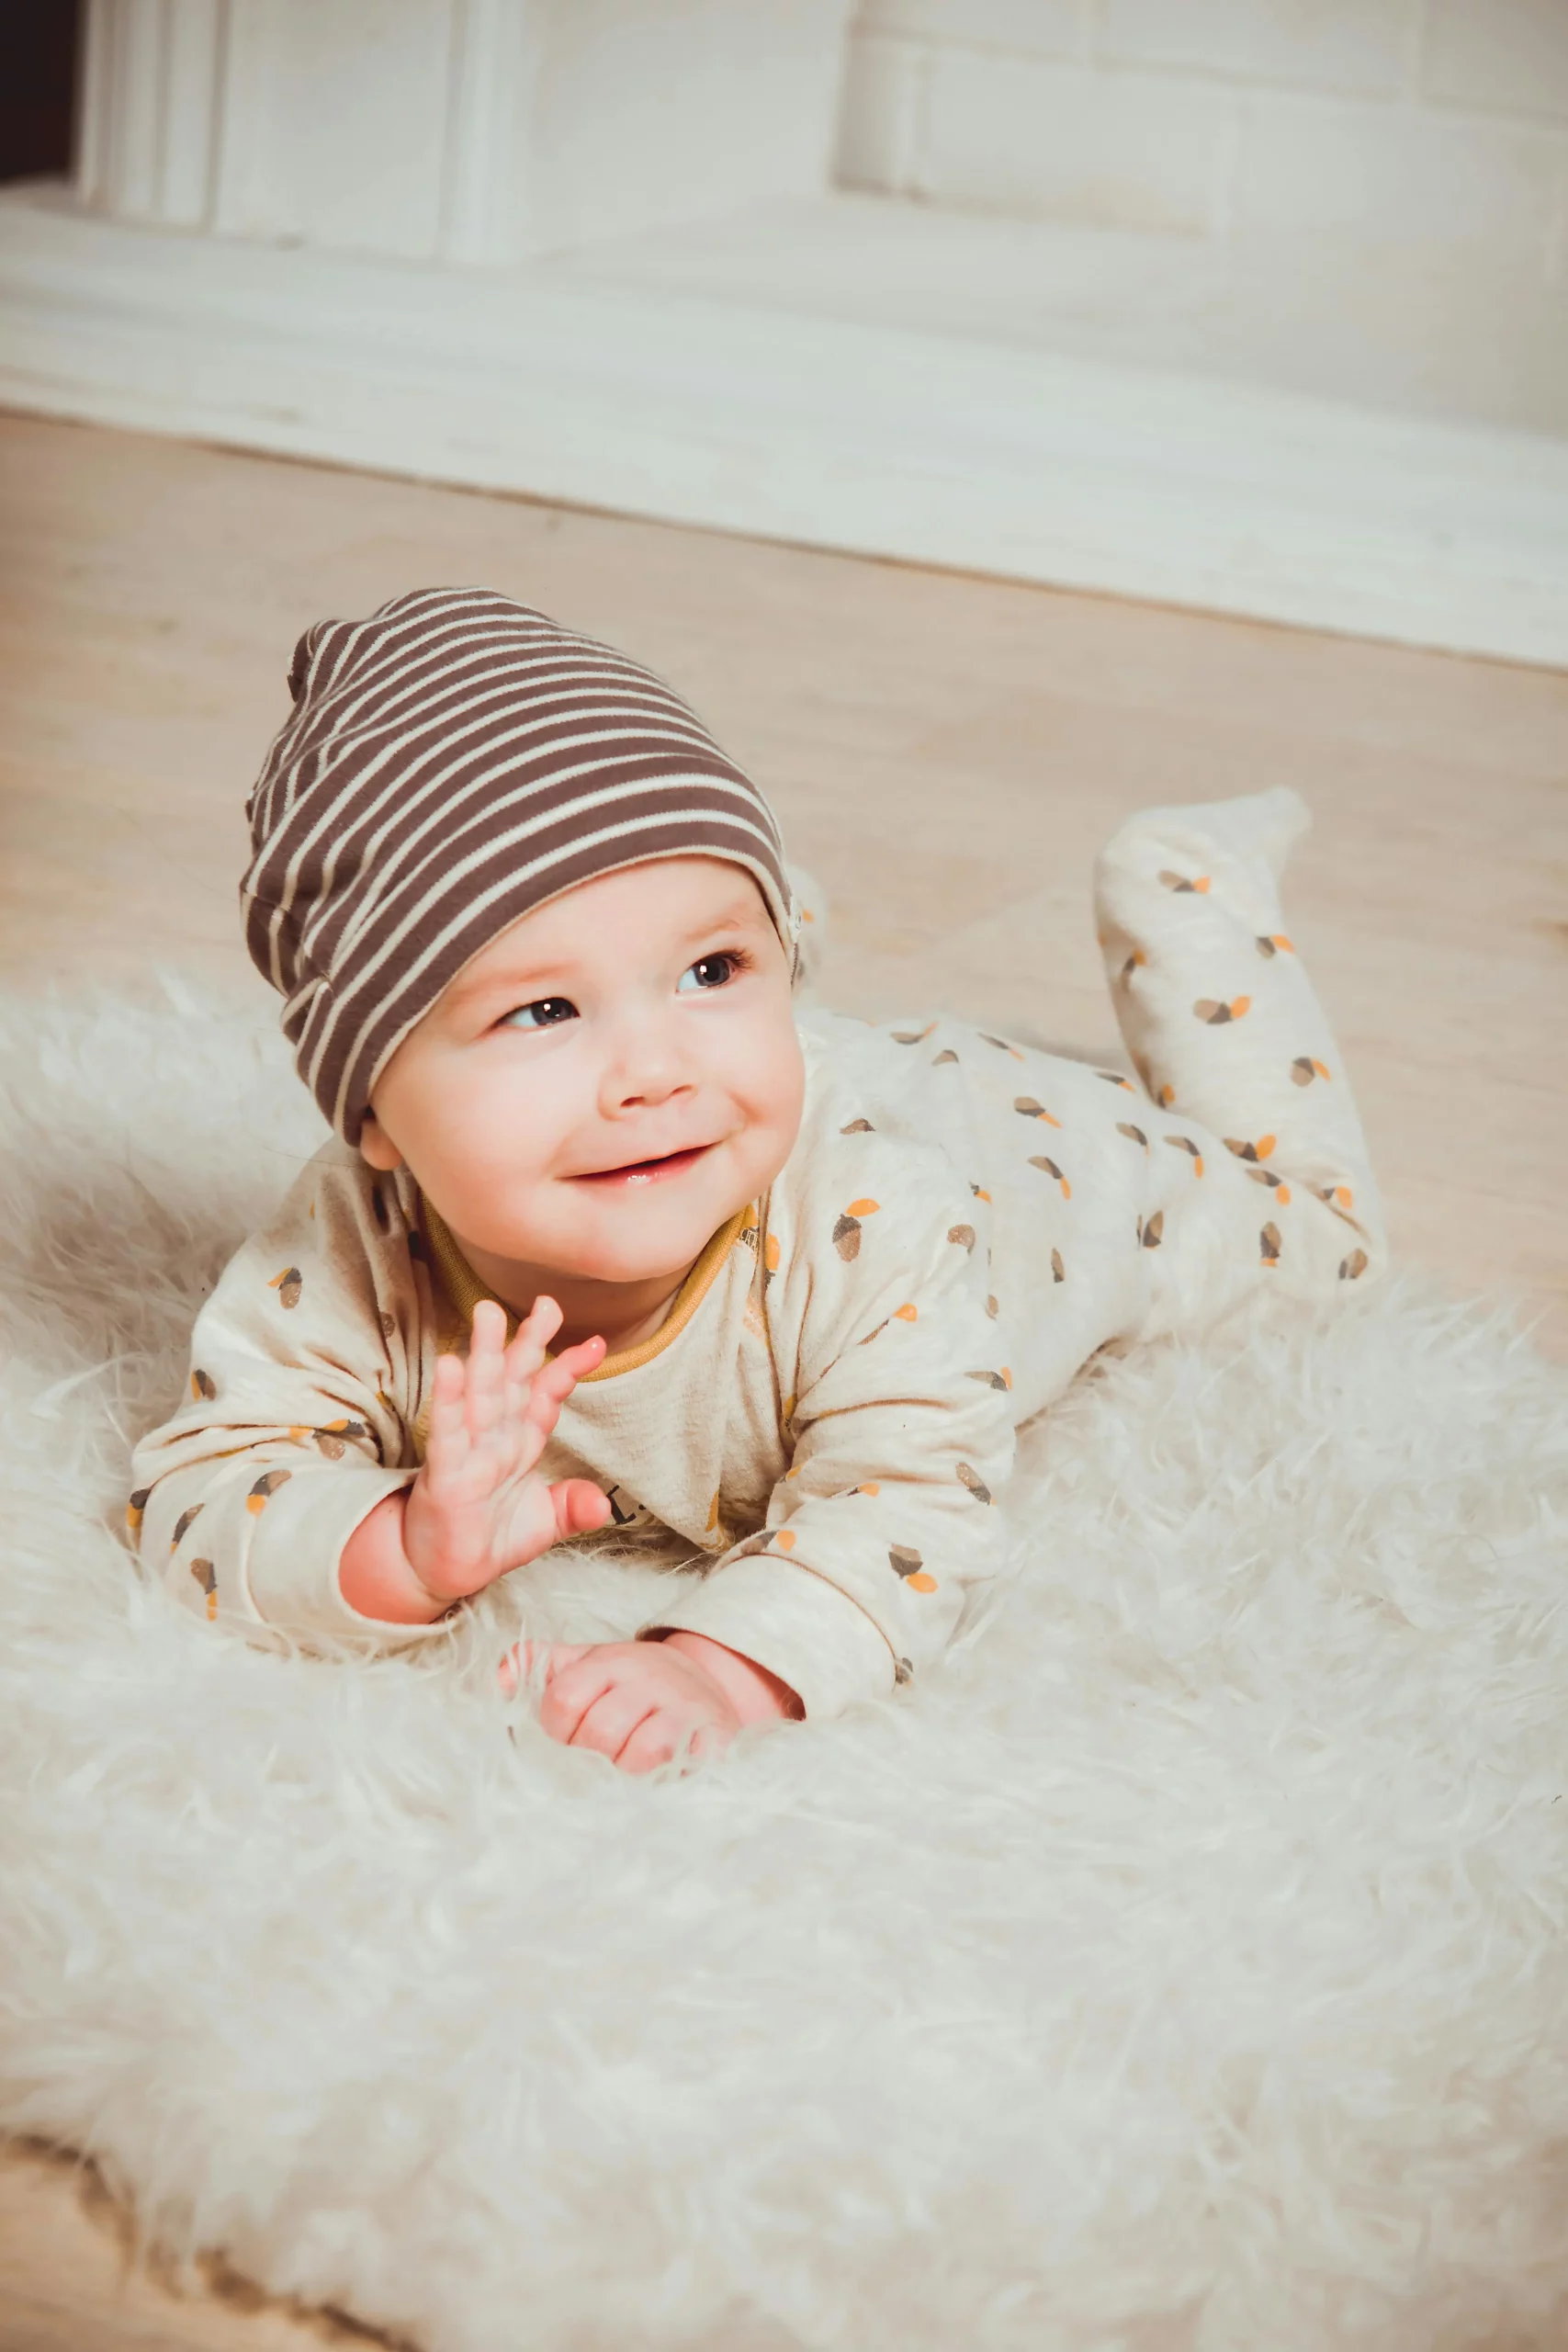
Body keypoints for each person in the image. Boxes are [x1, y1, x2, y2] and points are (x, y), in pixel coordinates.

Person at [129, 587, 1384, 1773]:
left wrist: (721, 1670)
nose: (653, 1074)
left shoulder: (878, 1219)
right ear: (372, 1112)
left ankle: (1183, 893)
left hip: (1021, 1153)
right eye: (545, 1009)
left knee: (1317, 1230)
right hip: (809, 1085)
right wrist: (395, 1545)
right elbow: (200, 1492)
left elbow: (906, 1503)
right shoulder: (351, 1246)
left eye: (713, 971)